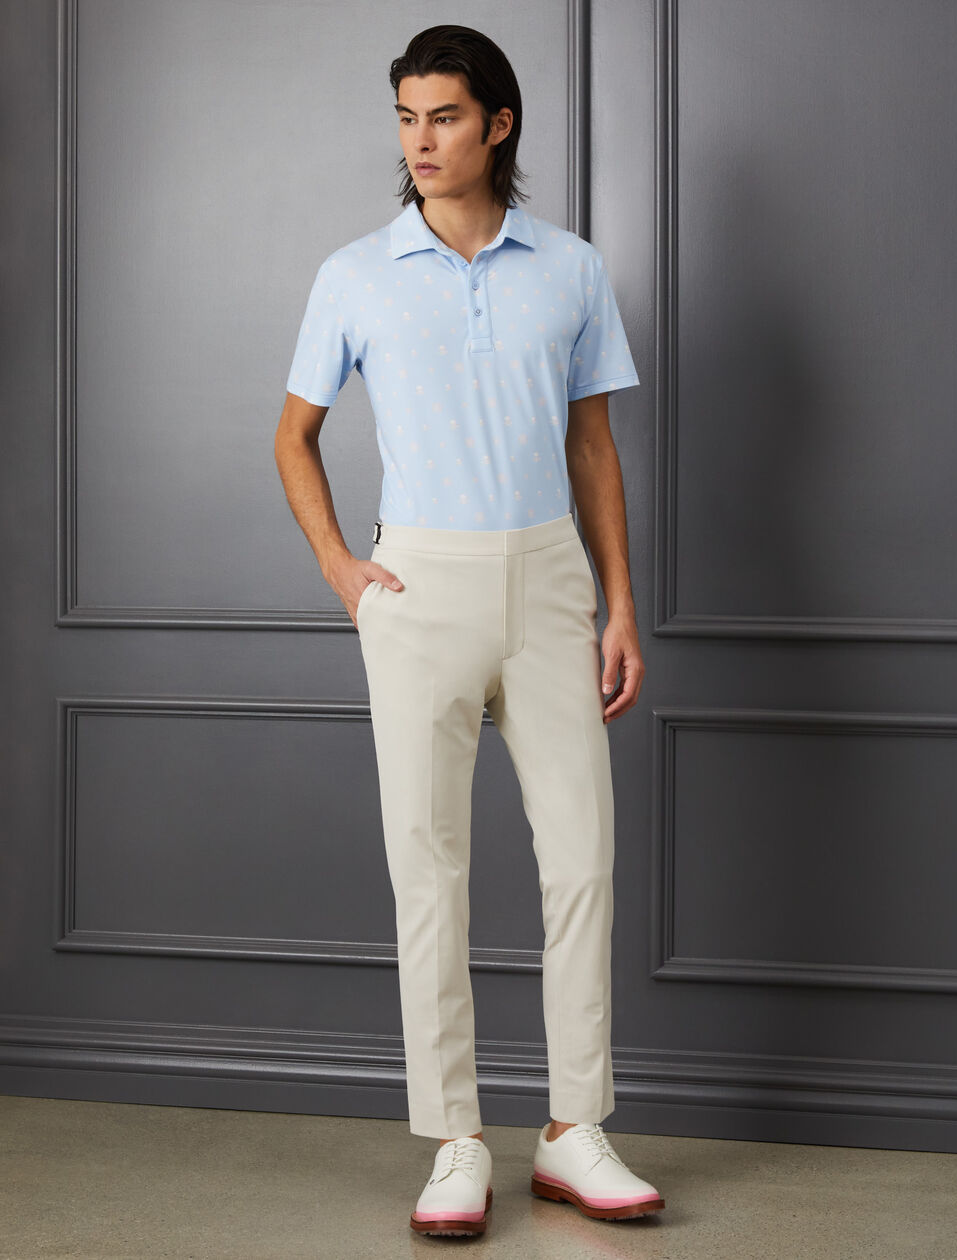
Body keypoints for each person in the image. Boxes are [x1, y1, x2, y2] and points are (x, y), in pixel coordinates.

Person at [272, 23, 664, 1239]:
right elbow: (293, 436)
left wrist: (619, 605)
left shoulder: (572, 270)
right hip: (419, 585)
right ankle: (455, 1140)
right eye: (406, 117)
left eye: (443, 116)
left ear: (498, 123)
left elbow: (593, 447)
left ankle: (574, 1130)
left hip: (548, 582)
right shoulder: (355, 273)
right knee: (429, 871)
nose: (420, 141)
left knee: (582, 860)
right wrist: (345, 572)